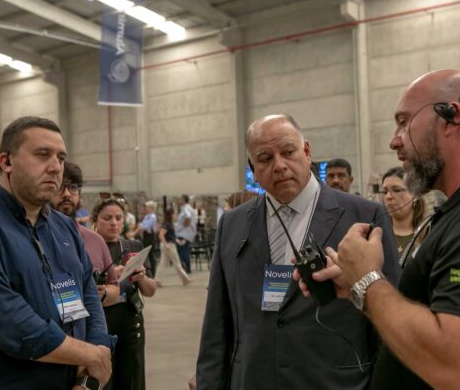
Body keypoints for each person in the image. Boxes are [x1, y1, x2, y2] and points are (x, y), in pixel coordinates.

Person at [299, 71, 460, 389]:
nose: (395, 140)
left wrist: (368, 282)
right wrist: (356, 283)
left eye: (404, 122)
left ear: (451, 117)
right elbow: (434, 316)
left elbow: (455, 366)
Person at [196, 114, 400, 390]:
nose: (279, 166)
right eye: (265, 159)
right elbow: (216, 324)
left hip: (334, 381)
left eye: (288, 152)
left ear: (306, 151)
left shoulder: (364, 217)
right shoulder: (232, 224)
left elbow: (389, 320)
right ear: (253, 168)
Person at [0, 116, 113, 389]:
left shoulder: (64, 227)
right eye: (42, 155)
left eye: (61, 158)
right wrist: (89, 353)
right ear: (6, 162)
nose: (56, 168)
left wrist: (90, 375)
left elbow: (88, 292)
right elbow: (6, 319)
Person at [92, 198, 157, 390]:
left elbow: (150, 290)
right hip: (101, 321)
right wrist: (113, 277)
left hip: (130, 322)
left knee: (132, 377)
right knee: (104, 378)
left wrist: (141, 277)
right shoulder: (88, 246)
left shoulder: (133, 246)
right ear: (96, 220)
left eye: (118, 218)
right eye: (107, 218)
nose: (113, 222)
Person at [51, 161, 120, 307]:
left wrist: (104, 294)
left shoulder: (95, 240)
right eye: (60, 187)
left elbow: (114, 287)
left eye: (73, 187)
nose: (67, 194)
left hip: (93, 324)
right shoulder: (34, 238)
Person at [380, 166, 426, 256]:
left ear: (415, 195)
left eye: (396, 190)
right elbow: (367, 269)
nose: (388, 196)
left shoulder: (428, 235)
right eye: (385, 192)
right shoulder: (376, 234)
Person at [157, 207, 192, 286]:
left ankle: (157, 280)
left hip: (168, 244)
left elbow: (170, 236)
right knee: (177, 263)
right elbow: (161, 235)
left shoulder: (169, 224)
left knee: (163, 263)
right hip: (169, 245)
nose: (176, 215)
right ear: (171, 215)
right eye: (175, 213)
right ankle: (185, 279)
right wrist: (166, 244)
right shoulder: (167, 224)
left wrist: (178, 241)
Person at [175, 195, 197, 274]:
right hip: (184, 233)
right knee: (183, 251)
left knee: (183, 251)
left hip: (184, 234)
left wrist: (183, 227)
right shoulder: (185, 208)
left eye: (180, 199)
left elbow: (187, 217)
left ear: (184, 200)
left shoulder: (186, 209)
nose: (178, 200)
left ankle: (187, 268)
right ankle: (185, 268)